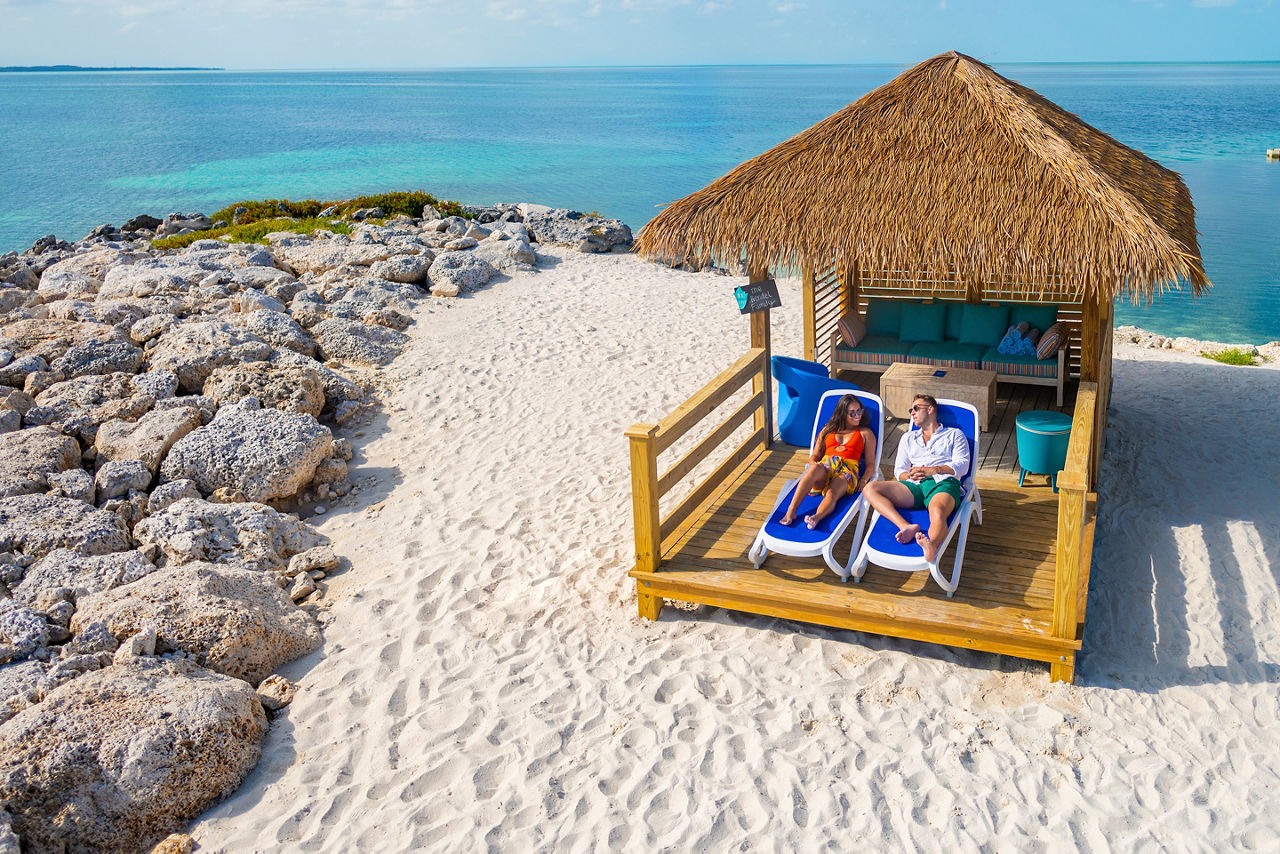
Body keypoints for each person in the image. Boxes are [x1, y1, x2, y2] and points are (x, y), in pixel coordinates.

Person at [862, 393, 970, 563]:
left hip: (942, 483)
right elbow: (900, 470)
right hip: (914, 485)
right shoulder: (908, 438)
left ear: (930, 409)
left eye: (916, 408)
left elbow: (962, 466)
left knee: (937, 511)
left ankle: (931, 545)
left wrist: (934, 470)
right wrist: (909, 474)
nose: (912, 413)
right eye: (911, 409)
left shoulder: (954, 435)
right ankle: (904, 525)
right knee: (870, 488)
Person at [779, 393, 877, 530]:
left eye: (859, 411)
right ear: (842, 414)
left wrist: (864, 480)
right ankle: (791, 510)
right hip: (826, 467)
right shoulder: (827, 430)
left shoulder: (865, 433)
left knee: (832, 492)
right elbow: (814, 457)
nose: (857, 415)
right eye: (852, 413)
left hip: (847, 473)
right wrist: (814, 468)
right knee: (813, 469)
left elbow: (871, 465)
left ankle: (816, 517)